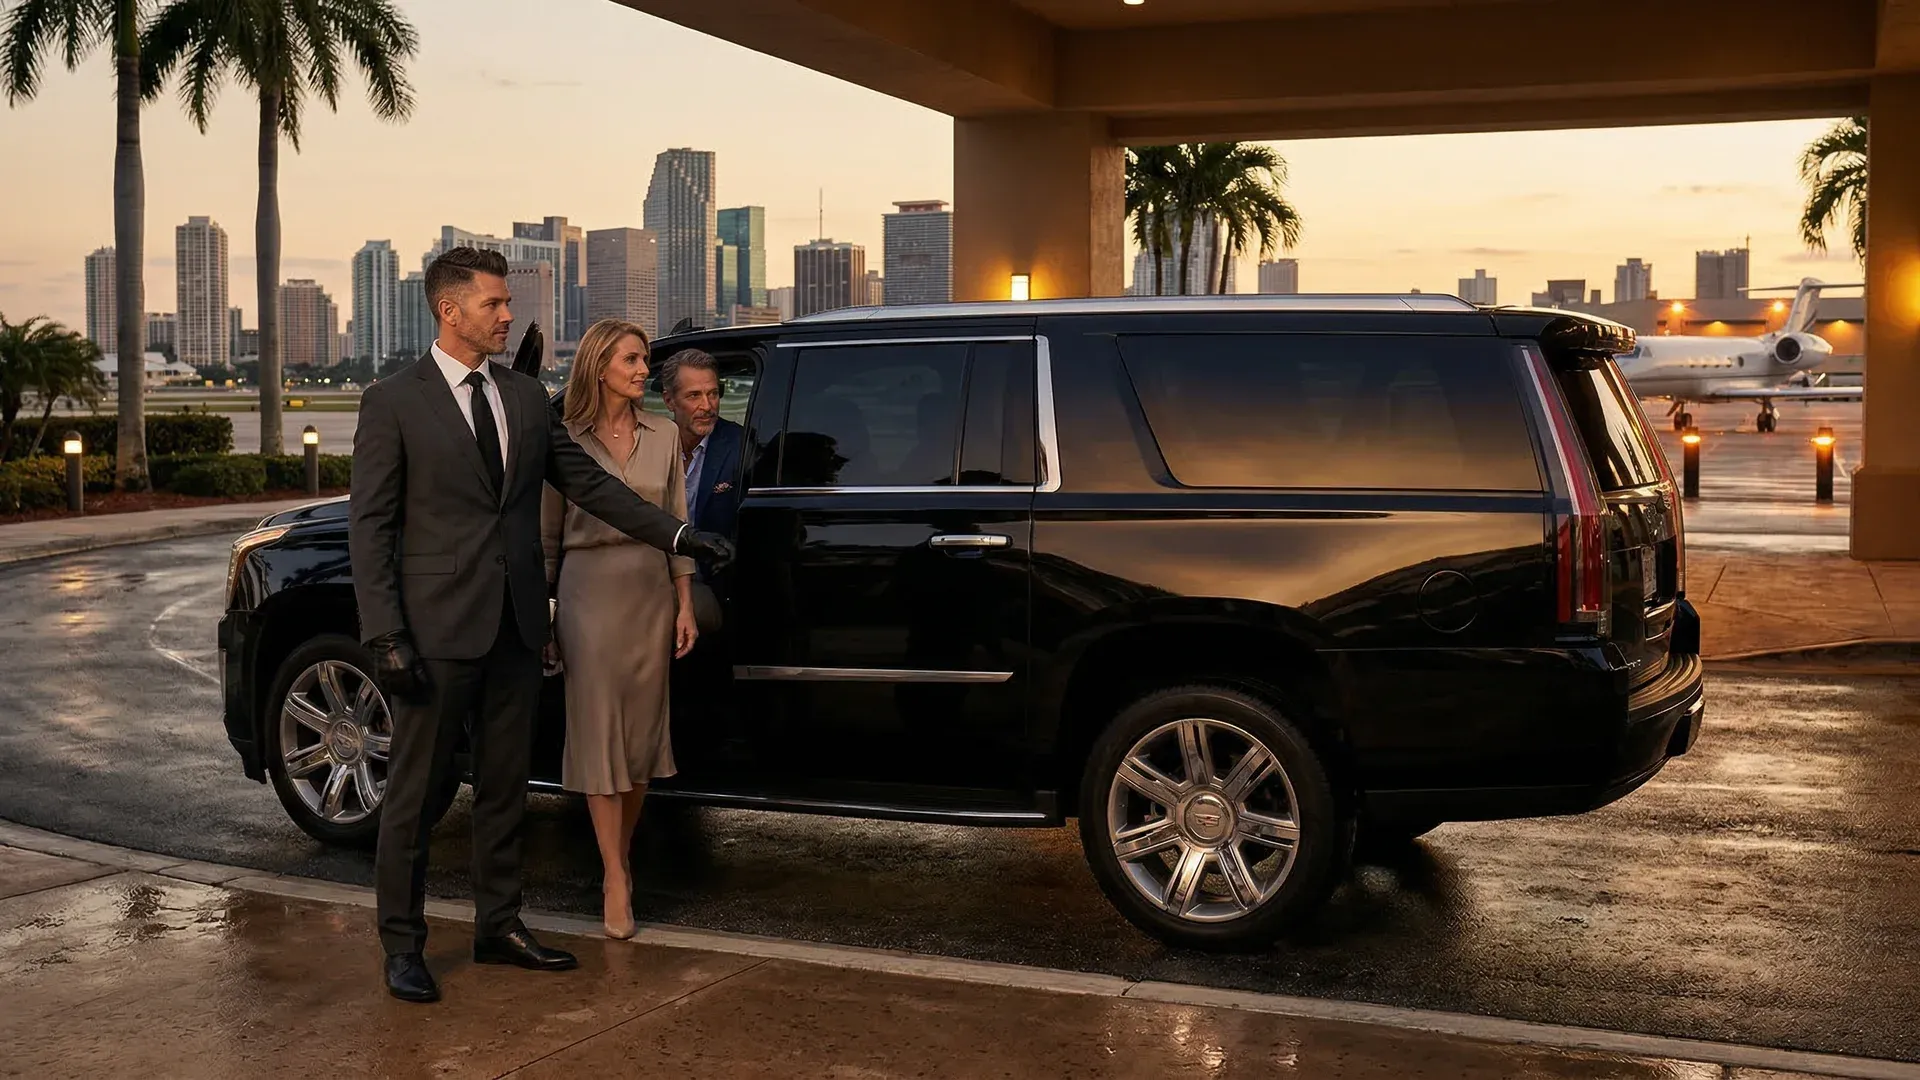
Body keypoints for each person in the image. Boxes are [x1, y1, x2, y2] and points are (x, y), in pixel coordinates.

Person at [348, 247, 732, 1005]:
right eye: (493, 304)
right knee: (417, 797)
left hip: (516, 627)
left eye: (505, 302)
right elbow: (371, 528)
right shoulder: (393, 400)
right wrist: (384, 633)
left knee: (503, 788)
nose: (507, 315)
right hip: (433, 631)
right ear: (449, 310)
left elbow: (588, 483)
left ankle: (499, 925)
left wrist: (678, 538)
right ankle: (403, 944)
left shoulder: (524, 397)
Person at [539, 319, 697, 940]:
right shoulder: (565, 440)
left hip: (649, 595)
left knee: (637, 746)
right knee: (599, 734)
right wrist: (547, 614)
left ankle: (621, 852)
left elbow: (676, 521)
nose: (642, 370)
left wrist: (684, 600)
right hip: (586, 595)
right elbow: (547, 537)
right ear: (600, 365)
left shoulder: (664, 435)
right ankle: (613, 875)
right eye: (632, 360)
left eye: (645, 360)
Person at [655, 348, 744, 632]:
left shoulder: (741, 446)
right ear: (669, 400)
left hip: (714, 584)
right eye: (694, 396)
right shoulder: (650, 446)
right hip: (656, 577)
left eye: (713, 394)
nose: (708, 406)